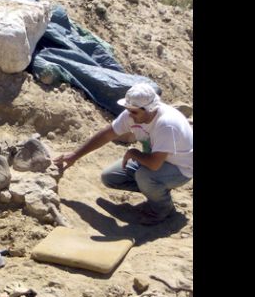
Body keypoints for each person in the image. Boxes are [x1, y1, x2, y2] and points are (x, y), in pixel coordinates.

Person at [53, 83, 193, 225]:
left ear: (149, 109)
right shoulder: (133, 114)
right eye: (128, 110)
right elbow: (107, 134)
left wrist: (134, 152)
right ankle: (157, 191)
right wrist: (75, 155)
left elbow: (154, 164)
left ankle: (162, 209)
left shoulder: (166, 124)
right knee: (110, 177)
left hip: (180, 168)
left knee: (144, 176)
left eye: (134, 112)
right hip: (156, 159)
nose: (129, 115)